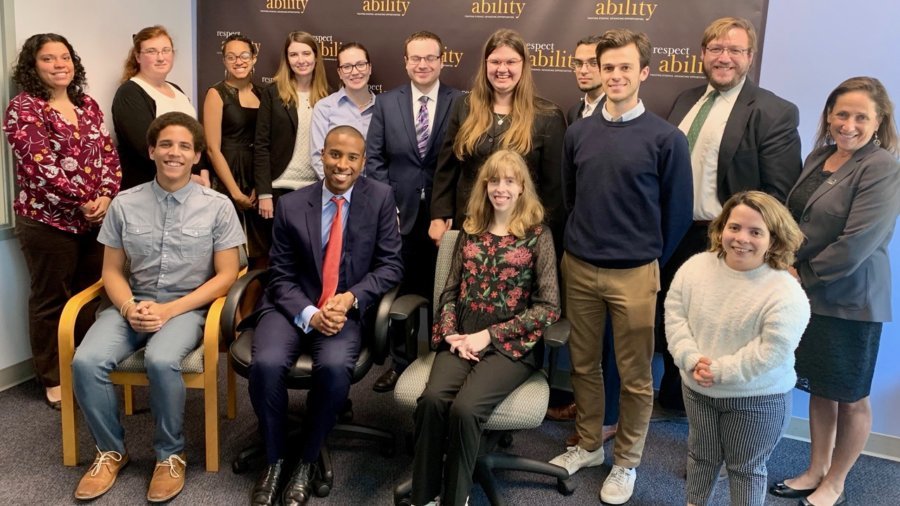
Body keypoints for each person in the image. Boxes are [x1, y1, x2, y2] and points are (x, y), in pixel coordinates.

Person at [549, 29, 693, 505]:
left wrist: (645, 257)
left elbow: (676, 214)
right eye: (607, 67)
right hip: (580, 267)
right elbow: (570, 199)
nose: (614, 75)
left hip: (635, 272)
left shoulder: (666, 139)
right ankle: (590, 444)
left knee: (634, 376)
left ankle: (627, 462)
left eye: (624, 67)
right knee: (584, 366)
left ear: (644, 73)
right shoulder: (578, 132)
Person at [70, 112, 244, 502]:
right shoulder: (124, 204)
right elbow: (111, 271)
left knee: (162, 359)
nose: (174, 153)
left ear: (197, 155)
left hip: (186, 309)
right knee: (85, 360)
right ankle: (111, 450)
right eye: (166, 144)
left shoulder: (217, 206)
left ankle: (170, 454)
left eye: (184, 146)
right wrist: (130, 305)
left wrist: (170, 310)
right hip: (129, 306)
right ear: (151, 151)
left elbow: (227, 275)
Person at [246, 126, 403, 506]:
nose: (342, 165)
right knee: (265, 363)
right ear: (322, 156)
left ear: (363, 162)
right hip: (291, 308)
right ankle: (274, 459)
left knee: (333, 368)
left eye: (352, 157)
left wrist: (351, 298)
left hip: (343, 311)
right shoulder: (293, 204)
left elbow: (390, 265)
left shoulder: (379, 198)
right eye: (335, 155)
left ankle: (307, 458)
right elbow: (280, 274)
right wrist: (310, 313)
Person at [658, 16, 803, 413]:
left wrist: (752, 243)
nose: (724, 58)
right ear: (703, 54)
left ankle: (709, 420)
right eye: (716, 49)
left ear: (750, 57)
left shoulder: (774, 111)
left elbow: (778, 194)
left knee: (717, 328)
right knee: (676, 318)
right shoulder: (687, 100)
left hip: (727, 239)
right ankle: (676, 401)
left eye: (735, 50)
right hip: (674, 231)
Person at [770, 77, 900, 506]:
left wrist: (798, 274)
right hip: (807, 293)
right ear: (828, 115)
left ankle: (837, 480)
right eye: (841, 113)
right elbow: (797, 220)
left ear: (879, 122)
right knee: (820, 387)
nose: (848, 124)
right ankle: (815, 469)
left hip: (850, 299)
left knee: (851, 395)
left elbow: (858, 243)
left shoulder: (883, 166)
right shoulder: (820, 155)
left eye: (861, 116)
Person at [412, 149, 560, 506]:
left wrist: (489, 336)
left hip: (511, 346)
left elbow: (549, 308)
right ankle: (424, 496)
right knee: (431, 400)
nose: (501, 188)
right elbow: (449, 291)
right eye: (494, 180)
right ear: (485, 185)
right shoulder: (471, 230)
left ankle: (455, 497)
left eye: (509, 181)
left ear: (522, 187)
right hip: (462, 336)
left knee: (465, 409)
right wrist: (450, 334)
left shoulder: (537, 235)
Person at [666, 191, 810, 506]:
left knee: (744, 470)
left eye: (755, 232)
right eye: (734, 227)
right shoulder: (695, 268)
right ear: (722, 228)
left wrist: (721, 371)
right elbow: (675, 316)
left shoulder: (785, 291)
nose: (741, 238)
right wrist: (690, 359)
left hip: (757, 398)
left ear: (773, 239)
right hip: (698, 389)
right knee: (700, 459)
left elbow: (772, 350)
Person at [3, 33, 121, 410]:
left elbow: (108, 155)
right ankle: (53, 378)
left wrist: (105, 195)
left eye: (65, 58)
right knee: (51, 300)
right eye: (48, 59)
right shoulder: (24, 108)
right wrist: (83, 200)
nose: (59, 65)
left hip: (95, 221)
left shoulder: (87, 105)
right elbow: (39, 167)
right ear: (33, 66)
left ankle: (84, 369)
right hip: (47, 222)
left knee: (89, 298)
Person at [366, 31, 463, 393]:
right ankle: (400, 363)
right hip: (398, 213)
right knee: (400, 288)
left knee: (444, 290)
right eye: (415, 58)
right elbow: (374, 159)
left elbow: (462, 160)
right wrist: (385, 205)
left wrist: (450, 208)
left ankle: (441, 360)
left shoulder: (461, 102)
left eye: (430, 58)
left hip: (447, 214)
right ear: (406, 61)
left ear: (442, 60)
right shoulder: (387, 103)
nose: (422, 64)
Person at [429, 28, 566, 251]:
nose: (502, 69)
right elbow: (447, 168)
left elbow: (554, 193)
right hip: (470, 226)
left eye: (511, 61)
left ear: (524, 65)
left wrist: (544, 242)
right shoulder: (464, 107)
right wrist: (438, 215)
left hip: (522, 233)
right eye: (495, 62)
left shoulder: (548, 116)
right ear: (485, 65)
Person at [546, 34, 619, 448]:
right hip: (577, 239)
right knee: (585, 334)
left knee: (609, 338)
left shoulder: (615, 116)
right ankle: (585, 404)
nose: (584, 69)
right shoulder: (575, 111)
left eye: (594, 62)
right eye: (578, 62)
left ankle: (607, 419)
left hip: (610, 249)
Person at [112, 25, 208, 190]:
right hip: (149, 187)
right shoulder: (129, 93)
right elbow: (145, 147)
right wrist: (188, 177)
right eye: (151, 51)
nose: (160, 57)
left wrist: (203, 172)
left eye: (166, 50)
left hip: (186, 185)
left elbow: (195, 137)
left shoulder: (177, 90)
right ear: (137, 56)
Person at [254, 31, 330, 228]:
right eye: (293, 54)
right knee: (280, 256)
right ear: (287, 59)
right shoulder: (273, 93)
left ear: (316, 57)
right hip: (279, 187)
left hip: (316, 188)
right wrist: (264, 193)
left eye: (306, 53)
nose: (300, 60)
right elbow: (261, 145)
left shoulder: (329, 96)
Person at [203, 33, 265, 267]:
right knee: (229, 253)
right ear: (224, 61)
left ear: (254, 58)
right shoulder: (216, 94)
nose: (238, 61)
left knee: (260, 252)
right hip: (227, 175)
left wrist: (262, 184)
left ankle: (253, 303)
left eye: (244, 56)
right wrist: (235, 192)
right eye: (231, 57)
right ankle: (228, 304)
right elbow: (211, 148)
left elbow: (267, 143)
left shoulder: (263, 94)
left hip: (256, 175)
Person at [310, 42, 375, 178]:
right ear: (339, 73)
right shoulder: (324, 108)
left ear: (369, 68)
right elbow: (318, 158)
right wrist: (340, 191)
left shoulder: (384, 108)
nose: (355, 72)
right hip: (336, 193)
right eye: (347, 67)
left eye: (361, 64)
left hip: (375, 194)